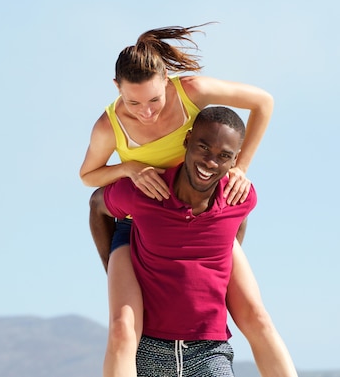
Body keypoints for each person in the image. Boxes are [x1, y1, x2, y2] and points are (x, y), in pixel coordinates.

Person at [80, 24, 297, 377]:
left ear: (167, 80)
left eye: (154, 100)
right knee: (122, 330)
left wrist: (241, 167)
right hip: (139, 221)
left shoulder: (191, 91)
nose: (145, 112)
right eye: (133, 102)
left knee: (257, 316)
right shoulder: (109, 126)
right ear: (117, 88)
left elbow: (263, 102)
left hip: (201, 217)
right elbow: (88, 176)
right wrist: (131, 167)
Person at [91, 107, 257, 376]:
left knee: (259, 319)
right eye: (204, 147)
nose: (211, 162)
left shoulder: (237, 197)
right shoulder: (146, 193)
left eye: (224, 156)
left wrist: (216, 267)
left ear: (234, 159)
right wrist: (114, 269)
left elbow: (238, 216)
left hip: (208, 351)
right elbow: (97, 203)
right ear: (187, 140)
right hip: (147, 350)